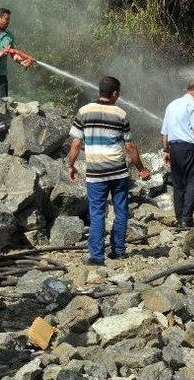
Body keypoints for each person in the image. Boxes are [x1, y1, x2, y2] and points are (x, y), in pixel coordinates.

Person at [67, 76, 151, 265]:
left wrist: (70, 165)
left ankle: (96, 257)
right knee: (121, 211)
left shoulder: (84, 111)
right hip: (118, 172)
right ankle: (119, 251)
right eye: (119, 93)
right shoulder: (121, 114)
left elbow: (76, 144)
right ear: (114, 93)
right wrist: (142, 169)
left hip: (96, 174)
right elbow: (130, 147)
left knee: (97, 214)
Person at [161, 80, 194, 228]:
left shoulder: (172, 105)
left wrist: (166, 150)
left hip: (174, 149)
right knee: (192, 183)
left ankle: (179, 218)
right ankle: (186, 219)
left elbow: (165, 132)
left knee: (178, 184)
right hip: (188, 149)